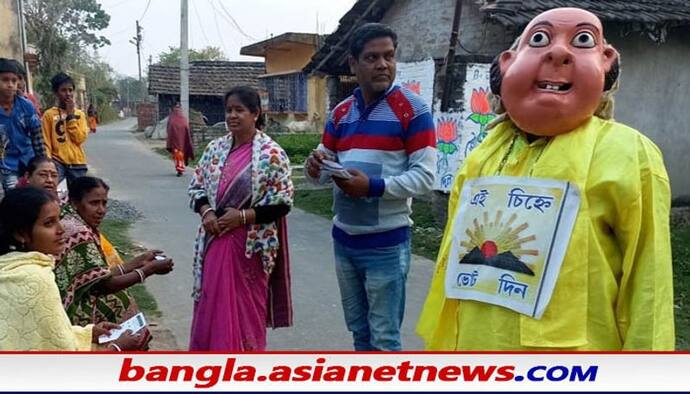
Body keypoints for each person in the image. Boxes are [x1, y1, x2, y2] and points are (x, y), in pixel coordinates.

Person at [417, 8, 674, 350]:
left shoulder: (629, 153)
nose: (558, 52)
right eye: (539, 40)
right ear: (507, 63)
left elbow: (649, 282)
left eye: (583, 41)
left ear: (606, 63)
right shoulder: (485, 152)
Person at [304, 23, 437, 351]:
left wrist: (373, 187)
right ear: (353, 64)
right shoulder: (340, 114)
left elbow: (425, 178)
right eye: (372, 57)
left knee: (384, 339)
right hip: (344, 242)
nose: (383, 65)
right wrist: (314, 169)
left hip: (387, 246)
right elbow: (324, 171)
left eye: (389, 56)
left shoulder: (414, 111)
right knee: (359, 334)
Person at [188, 86, 294, 351]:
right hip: (215, 240)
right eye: (229, 110)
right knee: (213, 302)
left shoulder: (272, 154)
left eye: (240, 110)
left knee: (247, 311)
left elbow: (282, 202)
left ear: (256, 114)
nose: (233, 116)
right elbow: (196, 186)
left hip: (252, 248)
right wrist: (207, 212)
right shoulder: (214, 149)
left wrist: (243, 217)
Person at [0, 187, 150, 351]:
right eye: (49, 223)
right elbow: (64, 358)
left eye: (59, 219)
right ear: (21, 233)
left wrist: (87, 333)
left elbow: (47, 332)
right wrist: (116, 347)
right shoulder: (36, 278)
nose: (61, 230)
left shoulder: (10, 264)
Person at [56, 176, 174, 326]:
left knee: (122, 298)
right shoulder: (77, 231)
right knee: (119, 303)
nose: (101, 210)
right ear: (75, 203)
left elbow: (97, 276)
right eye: (94, 203)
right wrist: (147, 270)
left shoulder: (71, 217)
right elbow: (105, 285)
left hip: (68, 299)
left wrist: (140, 261)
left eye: (104, 203)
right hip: (66, 308)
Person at [0, 58, 45, 196]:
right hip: (5, 163)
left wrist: (43, 163)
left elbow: (37, 136)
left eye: (14, 81)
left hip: (28, 160)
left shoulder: (26, 106)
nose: (10, 85)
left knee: (32, 198)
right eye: (5, 80)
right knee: (13, 197)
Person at [41, 72, 89, 184]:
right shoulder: (49, 115)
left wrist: (71, 116)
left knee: (79, 195)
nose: (68, 94)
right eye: (63, 90)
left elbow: (79, 139)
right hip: (57, 161)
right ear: (56, 93)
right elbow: (46, 141)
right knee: (51, 190)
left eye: (70, 90)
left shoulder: (79, 114)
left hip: (77, 162)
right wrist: (48, 161)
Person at [166, 102, 194, 176]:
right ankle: (180, 168)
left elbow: (169, 128)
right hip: (180, 141)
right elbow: (187, 128)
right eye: (177, 107)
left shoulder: (174, 117)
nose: (177, 109)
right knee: (179, 154)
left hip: (177, 141)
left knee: (178, 154)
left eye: (178, 107)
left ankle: (180, 169)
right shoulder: (181, 118)